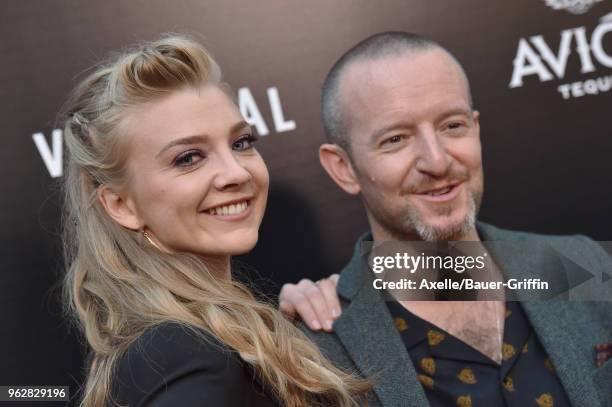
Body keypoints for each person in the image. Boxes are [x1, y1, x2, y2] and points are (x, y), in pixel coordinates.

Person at [279, 32, 612, 407]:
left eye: (452, 126)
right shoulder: (318, 350)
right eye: (396, 139)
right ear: (343, 168)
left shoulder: (583, 264)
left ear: (476, 130)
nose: (437, 161)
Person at [61, 35, 369, 407]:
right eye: (189, 158)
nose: (236, 172)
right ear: (122, 205)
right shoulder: (179, 353)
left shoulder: (181, 345)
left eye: (241, 143)